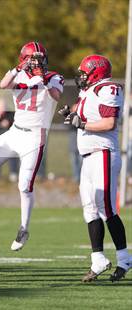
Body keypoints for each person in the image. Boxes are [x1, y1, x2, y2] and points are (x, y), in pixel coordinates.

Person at [0, 42, 64, 251]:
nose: (38, 62)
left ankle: (24, 228)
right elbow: (3, 85)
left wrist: (42, 78)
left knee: (24, 185)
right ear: (24, 59)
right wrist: (18, 69)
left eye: (40, 58)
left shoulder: (53, 77)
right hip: (14, 132)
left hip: (34, 137)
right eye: (33, 58)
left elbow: (56, 96)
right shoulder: (18, 75)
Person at [62, 55, 131, 282]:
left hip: (103, 153)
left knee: (107, 207)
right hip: (89, 157)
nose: (81, 76)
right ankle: (98, 259)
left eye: (85, 72)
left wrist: (81, 123)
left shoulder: (108, 88)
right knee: (89, 208)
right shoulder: (88, 92)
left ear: (96, 72)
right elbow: (83, 116)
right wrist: (72, 116)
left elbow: (109, 123)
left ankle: (124, 258)